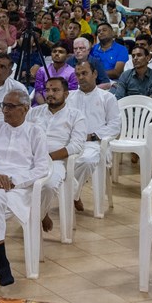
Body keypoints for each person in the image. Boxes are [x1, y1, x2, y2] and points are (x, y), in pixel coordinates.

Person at [0, 89, 51, 286]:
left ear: (25, 109)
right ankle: (3, 262)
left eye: (10, 106)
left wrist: (13, 180)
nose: (4, 110)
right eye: (3, 105)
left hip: (20, 188)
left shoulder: (35, 132)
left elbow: (42, 167)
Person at [27, 77, 85, 234]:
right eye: (47, 90)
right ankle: (41, 213)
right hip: (29, 159)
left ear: (66, 94)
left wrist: (48, 157)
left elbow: (76, 145)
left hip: (56, 161)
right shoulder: (34, 112)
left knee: (48, 185)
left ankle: (38, 214)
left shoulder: (76, 115)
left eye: (55, 90)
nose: (50, 94)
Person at [66, 60, 120, 213]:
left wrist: (93, 136)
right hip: (71, 142)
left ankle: (70, 194)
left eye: (84, 73)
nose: (81, 77)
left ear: (95, 74)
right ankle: (74, 194)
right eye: (77, 74)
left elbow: (115, 126)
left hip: (95, 144)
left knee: (87, 160)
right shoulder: (69, 97)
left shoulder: (107, 97)